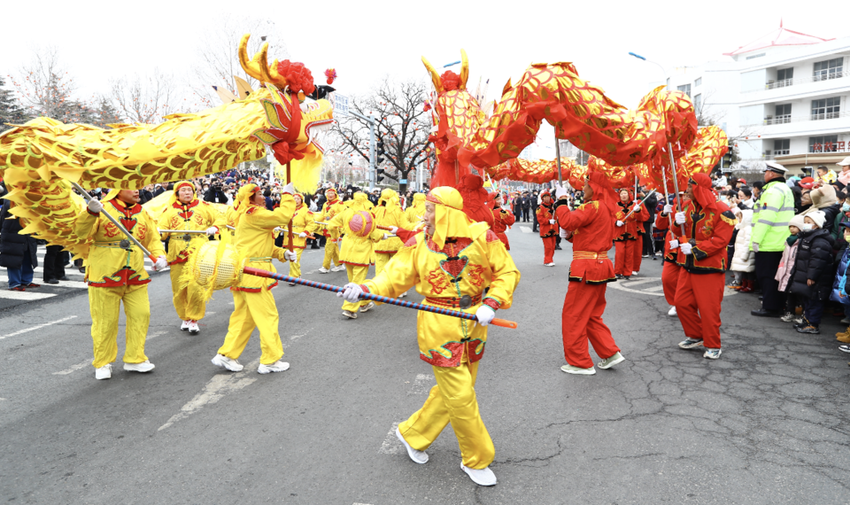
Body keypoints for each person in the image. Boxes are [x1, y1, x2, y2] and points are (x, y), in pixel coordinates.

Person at [338, 186, 520, 487]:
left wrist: (492, 301)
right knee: (461, 396)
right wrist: (366, 289)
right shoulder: (418, 242)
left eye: (431, 209)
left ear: (447, 211)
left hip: (475, 322)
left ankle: (412, 433)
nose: (425, 214)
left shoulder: (483, 237)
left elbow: (507, 272)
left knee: (457, 391)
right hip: (438, 325)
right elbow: (393, 277)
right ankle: (477, 458)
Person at [74, 189, 168, 380]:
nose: (136, 190)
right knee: (105, 322)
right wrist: (90, 213)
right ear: (118, 189)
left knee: (142, 315)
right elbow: (80, 233)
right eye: (131, 186)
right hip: (104, 276)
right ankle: (102, 362)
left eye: (137, 186)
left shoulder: (143, 212)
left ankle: (135, 358)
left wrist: (160, 256)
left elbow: (153, 240)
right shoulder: (102, 209)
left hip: (136, 275)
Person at [211, 183, 296, 374]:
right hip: (254, 272)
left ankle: (226, 355)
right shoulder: (253, 213)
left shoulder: (249, 215)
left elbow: (259, 246)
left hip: (246, 269)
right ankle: (270, 360)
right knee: (268, 316)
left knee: (244, 318)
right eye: (258, 194)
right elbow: (283, 216)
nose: (263, 197)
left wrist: (283, 253)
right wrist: (287, 196)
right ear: (250, 198)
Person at [553, 175, 624, 375]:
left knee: (574, 314)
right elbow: (590, 237)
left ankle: (579, 362)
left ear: (594, 187)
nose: (583, 188)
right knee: (592, 313)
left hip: (586, 267)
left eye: (586, 185)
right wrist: (569, 236)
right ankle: (609, 352)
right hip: (600, 264)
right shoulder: (607, 208)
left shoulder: (593, 206)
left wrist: (561, 201)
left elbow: (566, 220)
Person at [673, 174, 736, 359]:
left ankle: (713, 344)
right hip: (688, 264)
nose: (686, 190)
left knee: (709, 309)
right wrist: (677, 223)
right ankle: (696, 335)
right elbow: (678, 231)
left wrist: (694, 247)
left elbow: (720, 241)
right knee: (681, 303)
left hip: (710, 266)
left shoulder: (723, 211)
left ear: (699, 188)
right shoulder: (686, 206)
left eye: (690, 187)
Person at [157, 181, 223, 334]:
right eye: (183, 190)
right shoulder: (169, 210)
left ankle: (194, 319)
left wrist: (214, 227)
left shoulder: (204, 206)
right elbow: (163, 233)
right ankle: (185, 317)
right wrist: (158, 232)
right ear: (177, 193)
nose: (187, 193)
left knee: (196, 287)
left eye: (189, 190)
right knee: (179, 288)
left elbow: (220, 219)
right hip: (176, 252)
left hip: (199, 250)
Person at [328, 192, 385, 319]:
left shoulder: (346, 212)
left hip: (347, 250)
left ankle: (364, 303)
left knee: (354, 280)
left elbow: (331, 224)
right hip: (361, 252)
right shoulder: (368, 214)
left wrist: (336, 235)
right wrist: (383, 235)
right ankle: (350, 308)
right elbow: (374, 234)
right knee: (357, 281)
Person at [750, 161, 794, 317]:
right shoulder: (785, 189)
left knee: (767, 275)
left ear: (771, 174)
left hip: (769, 241)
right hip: (779, 240)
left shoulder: (772, 191)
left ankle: (770, 307)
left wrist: (756, 239)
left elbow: (766, 218)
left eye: (766, 172)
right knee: (776, 275)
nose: (764, 175)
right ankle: (776, 305)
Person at [789, 211, 835, 334]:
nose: (806, 225)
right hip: (805, 275)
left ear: (817, 225)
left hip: (816, 278)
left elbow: (818, 261)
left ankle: (813, 324)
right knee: (807, 299)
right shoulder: (807, 237)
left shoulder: (819, 240)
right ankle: (807, 320)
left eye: (809, 222)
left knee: (814, 300)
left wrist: (812, 276)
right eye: (805, 222)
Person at [274, 192, 317, 286]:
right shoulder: (288, 210)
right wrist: (278, 226)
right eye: (294, 199)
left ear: (301, 200)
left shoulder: (305, 210)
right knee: (291, 258)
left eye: (298, 199)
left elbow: (311, 223)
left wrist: (305, 232)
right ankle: (297, 275)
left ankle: (293, 277)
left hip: (299, 237)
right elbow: (283, 220)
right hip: (288, 237)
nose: (296, 201)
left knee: (294, 257)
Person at [0, 196, 40, 291]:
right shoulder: (10, 200)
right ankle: (14, 283)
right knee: (14, 259)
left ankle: (26, 280)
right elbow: (3, 218)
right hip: (13, 234)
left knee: (28, 257)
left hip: (27, 233)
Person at [655, 195, 683, 316]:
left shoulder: (697, 209)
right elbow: (660, 226)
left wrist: (682, 241)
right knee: (667, 278)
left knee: (685, 281)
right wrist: (664, 214)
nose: (684, 196)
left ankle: (685, 304)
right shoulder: (673, 207)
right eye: (681, 194)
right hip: (671, 247)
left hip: (688, 247)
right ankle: (676, 303)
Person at [613, 189, 647, 279]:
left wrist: (638, 211)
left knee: (629, 254)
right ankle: (618, 271)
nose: (624, 195)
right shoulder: (615, 205)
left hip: (631, 231)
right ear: (619, 195)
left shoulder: (634, 205)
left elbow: (640, 217)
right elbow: (610, 217)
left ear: (629, 195)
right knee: (619, 254)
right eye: (622, 194)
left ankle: (627, 272)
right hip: (619, 232)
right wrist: (616, 222)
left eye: (625, 193)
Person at [318, 187, 346, 273]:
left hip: (335, 228)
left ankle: (325, 267)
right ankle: (339, 264)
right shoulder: (325, 204)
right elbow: (322, 214)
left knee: (329, 247)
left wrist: (333, 218)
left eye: (332, 193)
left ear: (335, 194)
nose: (330, 195)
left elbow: (343, 215)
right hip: (326, 227)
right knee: (334, 247)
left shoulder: (340, 204)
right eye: (328, 193)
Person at [536, 189, 558, 266]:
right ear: (543, 199)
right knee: (548, 246)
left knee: (552, 246)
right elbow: (540, 219)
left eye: (548, 197)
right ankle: (547, 260)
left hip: (554, 229)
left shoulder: (553, 207)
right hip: (545, 230)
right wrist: (548, 221)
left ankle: (550, 259)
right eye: (545, 197)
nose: (547, 198)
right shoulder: (540, 208)